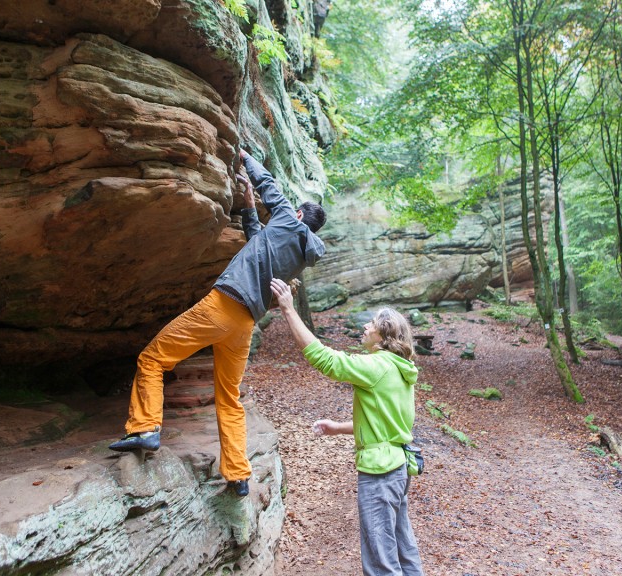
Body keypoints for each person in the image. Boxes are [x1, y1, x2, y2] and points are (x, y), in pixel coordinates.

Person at [109, 150, 327, 498]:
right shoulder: (299, 253)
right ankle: (238, 474)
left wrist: (245, 158)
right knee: (229, 398)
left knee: (152, 359)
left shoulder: (288, 218)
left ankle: (145, 427)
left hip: (221, 306)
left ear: (298, 214)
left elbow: (268, 185)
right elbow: (257, 237)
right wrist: (246, 201)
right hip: (244, 325)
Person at [269, 278, 424, 575]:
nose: (365, 327)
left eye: (372, 323)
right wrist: (337, 428)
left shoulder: (377, 365)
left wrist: (288, 309)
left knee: (381, 556)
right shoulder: (400, 370)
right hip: (398, 467)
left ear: (384, 335)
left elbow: (325, 359)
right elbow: (387, 425)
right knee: (404, 548)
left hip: (380, 473)